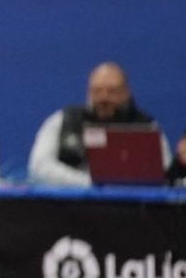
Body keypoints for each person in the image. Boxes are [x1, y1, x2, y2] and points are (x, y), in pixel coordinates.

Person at [28, 62, 171, 186]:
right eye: (97, 91)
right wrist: (89, 183)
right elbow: (39, 166)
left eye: (112, 91)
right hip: (70, 203)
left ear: (126, 93)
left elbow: (164, 171)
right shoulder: (63, 120)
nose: (104, 98)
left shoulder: (146, 127)